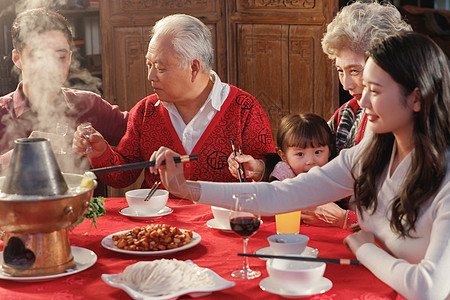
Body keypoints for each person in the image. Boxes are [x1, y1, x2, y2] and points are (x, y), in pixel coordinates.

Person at [151, 32, 450, 300]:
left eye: (377, 91)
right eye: (366, 88)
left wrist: (364, 248)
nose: (364, 101)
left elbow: (428, 288)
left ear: (416, 97)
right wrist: (186, 188)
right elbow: (282, 195)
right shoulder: (371, 154)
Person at [227, 1, 412, 227]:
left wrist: (346, 219)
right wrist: (261, 169)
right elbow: (312, 159)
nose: (346, 84)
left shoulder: (411, 128)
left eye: (355, 70)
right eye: (339, 71)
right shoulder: (349, 113)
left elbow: (417, 219)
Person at [72, 14, 275, 189]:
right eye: (148, 65)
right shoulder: (146, 111)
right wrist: (100, 153)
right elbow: (123, 175)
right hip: (159, 227)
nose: (151, 76)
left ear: (194, 68)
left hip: (225, 224)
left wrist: (257, 169)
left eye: (160, 68)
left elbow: (275, 175)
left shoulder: (244, 109)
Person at [0, 8, 128, 175]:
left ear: (69, 58)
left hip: (81, 202)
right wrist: (20, 155)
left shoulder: (89, 105)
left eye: (60, 57)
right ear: (17, 59)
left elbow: (142, 133)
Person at [266, 113, 357, 230]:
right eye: (300, 154)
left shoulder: (333, 171)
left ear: (329, 151)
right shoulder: (284, 172)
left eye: (318, 152)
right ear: (283, 155)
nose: (310, 161)